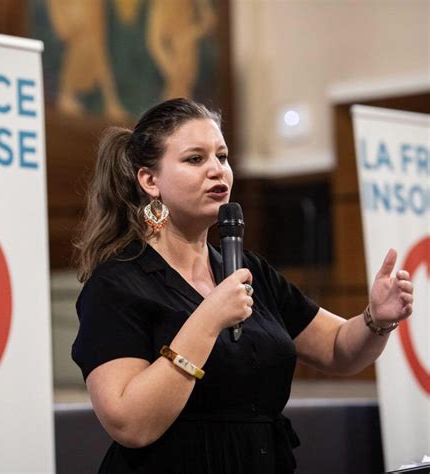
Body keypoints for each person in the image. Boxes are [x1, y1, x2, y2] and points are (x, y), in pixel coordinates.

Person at [72, 98, 413, 473]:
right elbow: (130, 424)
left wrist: (376, 320)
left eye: (222, 156)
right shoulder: (118, 284)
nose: (218, 171)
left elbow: (337, 349)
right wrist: (208, 319)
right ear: (150, 181)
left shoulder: (249, 270)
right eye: (195, 159)